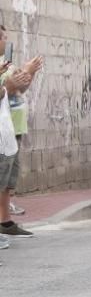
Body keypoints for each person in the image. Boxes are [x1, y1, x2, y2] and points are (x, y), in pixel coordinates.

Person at [0, 30, 32, 247]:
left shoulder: (6, 64)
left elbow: (19, 88)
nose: (6, 40)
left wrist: (29, 73)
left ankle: (5, 223)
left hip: (10, 131)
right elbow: (8, 91)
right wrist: (6, 87)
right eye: (2, 36)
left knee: (7, 182)